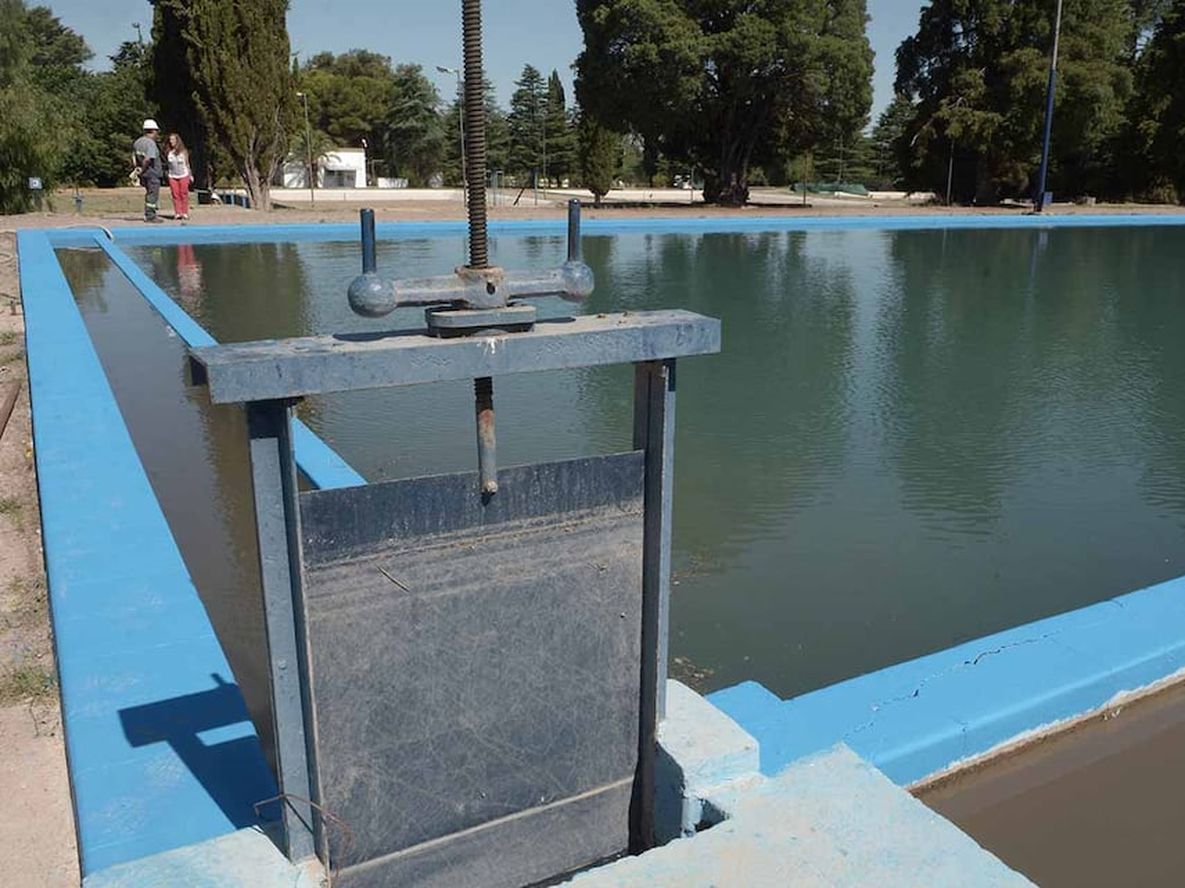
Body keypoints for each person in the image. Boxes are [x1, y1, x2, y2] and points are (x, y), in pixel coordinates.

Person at [132, 119, 163, 223]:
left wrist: (137, 168)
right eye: (156, 131)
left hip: (144, 174)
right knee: (152, 194)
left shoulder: (138, 142)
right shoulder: (150, 143)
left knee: (149, 193)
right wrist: (143, 168)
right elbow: (148, 159)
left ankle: (150, 213)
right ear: (153, 131)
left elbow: (133, 157)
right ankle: (150, 215)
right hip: (152, 173)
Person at [166, 133, 193, 221]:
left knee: (183, 193)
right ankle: (177, 212)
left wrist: (190, 175)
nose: (171, 142)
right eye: (170, 140)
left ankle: (184, 213)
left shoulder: (183, 152)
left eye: (173, 140)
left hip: (183, 175)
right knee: (175, 194)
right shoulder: (169, 152)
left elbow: (187, 164)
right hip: (172, 175)